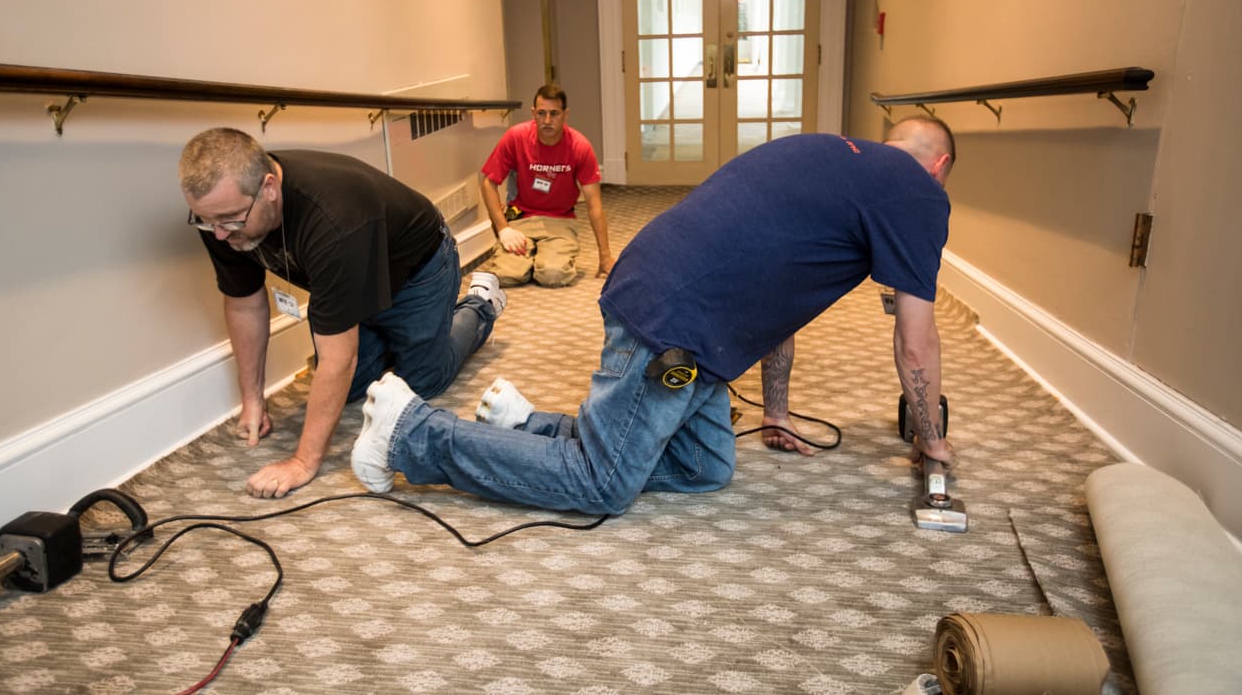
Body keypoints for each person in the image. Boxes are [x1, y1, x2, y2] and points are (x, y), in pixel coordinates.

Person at [350, 117, 957, 514]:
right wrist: (932, 441)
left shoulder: (832, 154)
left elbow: (780, 288)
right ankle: (411, 434)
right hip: (674, 319)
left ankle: (527, 424)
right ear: (939, 166)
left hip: (674, 292)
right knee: (601, 485)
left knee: (705, 467)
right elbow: (915, 341)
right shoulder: (919, 193)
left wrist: (773, 410)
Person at [178, 127, 506, 499]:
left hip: (418, 270)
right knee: (350, 389)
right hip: (352, 275)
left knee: (422, 382)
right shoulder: (223, 214)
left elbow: (339, 357)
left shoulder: (333, 219)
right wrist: (252, 398)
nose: (219, 235)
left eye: (231, 220)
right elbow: (244, 301)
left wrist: (302, 462)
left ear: (269, 188)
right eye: (206, 221)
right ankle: (390, 336)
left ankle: (480, 304)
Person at [479, 83, 614, 286]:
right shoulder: (516, 137)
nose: (547, 121)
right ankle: (525, 259)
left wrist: (605, 256)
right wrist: (504, 228)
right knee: (506, 276)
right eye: (541, 113)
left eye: (554, 114)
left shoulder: (579, 146)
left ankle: (541, 258)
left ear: (565, 114)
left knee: (553, 275)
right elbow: (489, 182)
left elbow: (595, 205)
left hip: (560, 221)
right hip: (521, 220)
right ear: (533, 113)